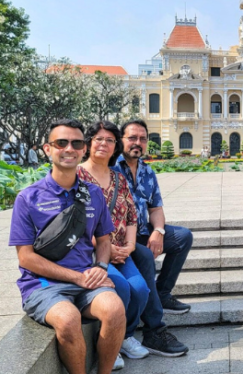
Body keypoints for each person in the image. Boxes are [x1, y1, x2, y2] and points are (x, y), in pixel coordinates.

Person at [9, 119, 125, 374]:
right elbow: (26, 258)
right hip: (42, 285)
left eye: (76, 143)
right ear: (48, 149)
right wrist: (77, 277)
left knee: (115, 309)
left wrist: (101, 266)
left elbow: (104, 239)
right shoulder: (28, 198)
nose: (69, 148)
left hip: (86, 280)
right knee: (68, 318)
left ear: (84, 149)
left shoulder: (93, 194)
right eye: (61, 143)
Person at [113, 119, 191, 357]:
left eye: (143, 139)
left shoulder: (147, 171)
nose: (138, 143)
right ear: (121, 141)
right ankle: (154, 331)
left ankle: (163, 293)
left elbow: (155, 208)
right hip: (119, 235)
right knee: (145, 255)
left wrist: (159, 231)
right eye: (132, 138)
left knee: (182, 237)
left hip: (143, 229)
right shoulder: (110, 168)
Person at [78, 121, 151, 370]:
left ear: (115, 147)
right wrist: (105, 248)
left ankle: (124, 336)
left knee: (141, 290)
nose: (103, 144)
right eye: (98, 139)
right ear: (88, 143)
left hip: (121, 252)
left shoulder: (118, 177)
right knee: (119, 286)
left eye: (109, 140)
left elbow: (132, 215)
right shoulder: (76, 176)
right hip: (91, 252)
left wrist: (130, 246)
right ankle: (110, 343)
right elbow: (72, 221)